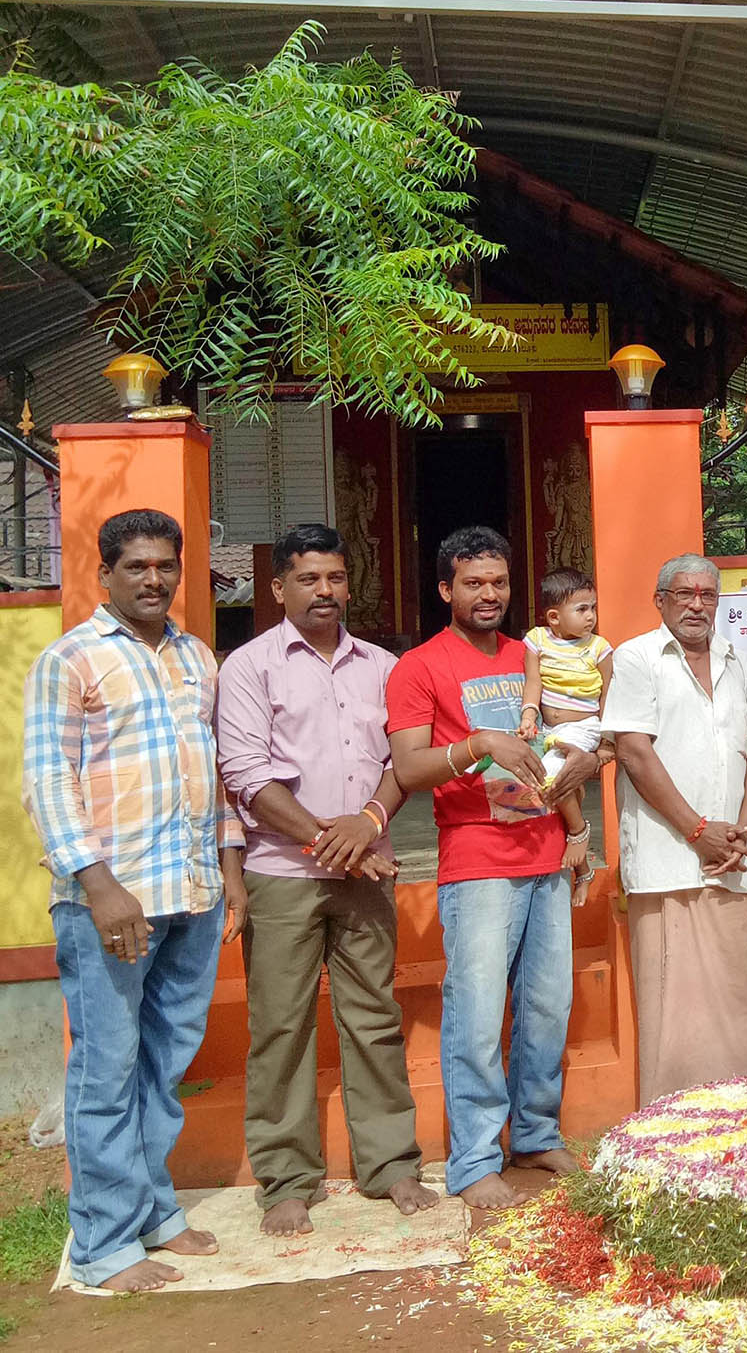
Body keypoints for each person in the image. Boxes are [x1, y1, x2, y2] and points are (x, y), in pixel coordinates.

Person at [22, 509, 248, 1291]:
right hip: (109, 904)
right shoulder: (71, 659)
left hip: (191, 891)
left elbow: (211, 772)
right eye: (136, 566)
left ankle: (153, 1207)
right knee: (107, 1070)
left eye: (165, 565)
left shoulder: (195, 657)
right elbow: (49, 782)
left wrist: (231, 874)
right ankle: (104, 1244)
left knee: (162, 1066)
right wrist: (99, 885)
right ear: (105, 574)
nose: (153, 579)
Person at [215, 523, 438, 1235]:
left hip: (364, 869)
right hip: (282, 875)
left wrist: (369, 822)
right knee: (280, 1025)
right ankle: (286, 1177)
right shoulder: (248, 668)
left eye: (335, 577)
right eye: (308, 578)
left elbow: (401, 764)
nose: (325, 590)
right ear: (279, 588)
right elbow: (246, 775)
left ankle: (391, 1164)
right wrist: (331, 839)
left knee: (372, 1017)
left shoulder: (381, 665)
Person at [385, 526, 588, 1208]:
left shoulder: (531, 654)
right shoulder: (420, 666)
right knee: (476, 1013)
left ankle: (533, 1130)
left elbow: (557, 746)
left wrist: (578, 826)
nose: (489, 593)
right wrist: (475, 742)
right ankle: (473, 1159)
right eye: (474, 582)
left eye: (499, 582)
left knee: (547, 1002)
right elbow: (409, 767)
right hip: (476, 857)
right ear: (446, 589)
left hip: (544, 849)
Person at [601, 554, 747, 1105]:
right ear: (661, 601)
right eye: (684, 594)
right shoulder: (636, 659)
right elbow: (633, 749)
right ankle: (675, 1122)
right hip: (667, 859)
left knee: (736, 992)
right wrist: (697, 830)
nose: (696, 605)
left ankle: (742, 1110)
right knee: (672, 1006)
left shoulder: (742, 664)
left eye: (707, 594)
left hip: (729, 858)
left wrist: (741, 831)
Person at [519, 566, 614, 879]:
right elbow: (533, 682)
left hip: (583, 727)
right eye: (582, 609)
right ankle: (583, 871)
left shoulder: (598, 648)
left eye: (593, 608)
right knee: (547, 786)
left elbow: (608, 695)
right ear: (554, 617)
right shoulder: (537, 641)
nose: (591, 617)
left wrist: (606, 741)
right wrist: (529, 714)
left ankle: (579, 831)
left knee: (549, 778)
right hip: (549, 729)